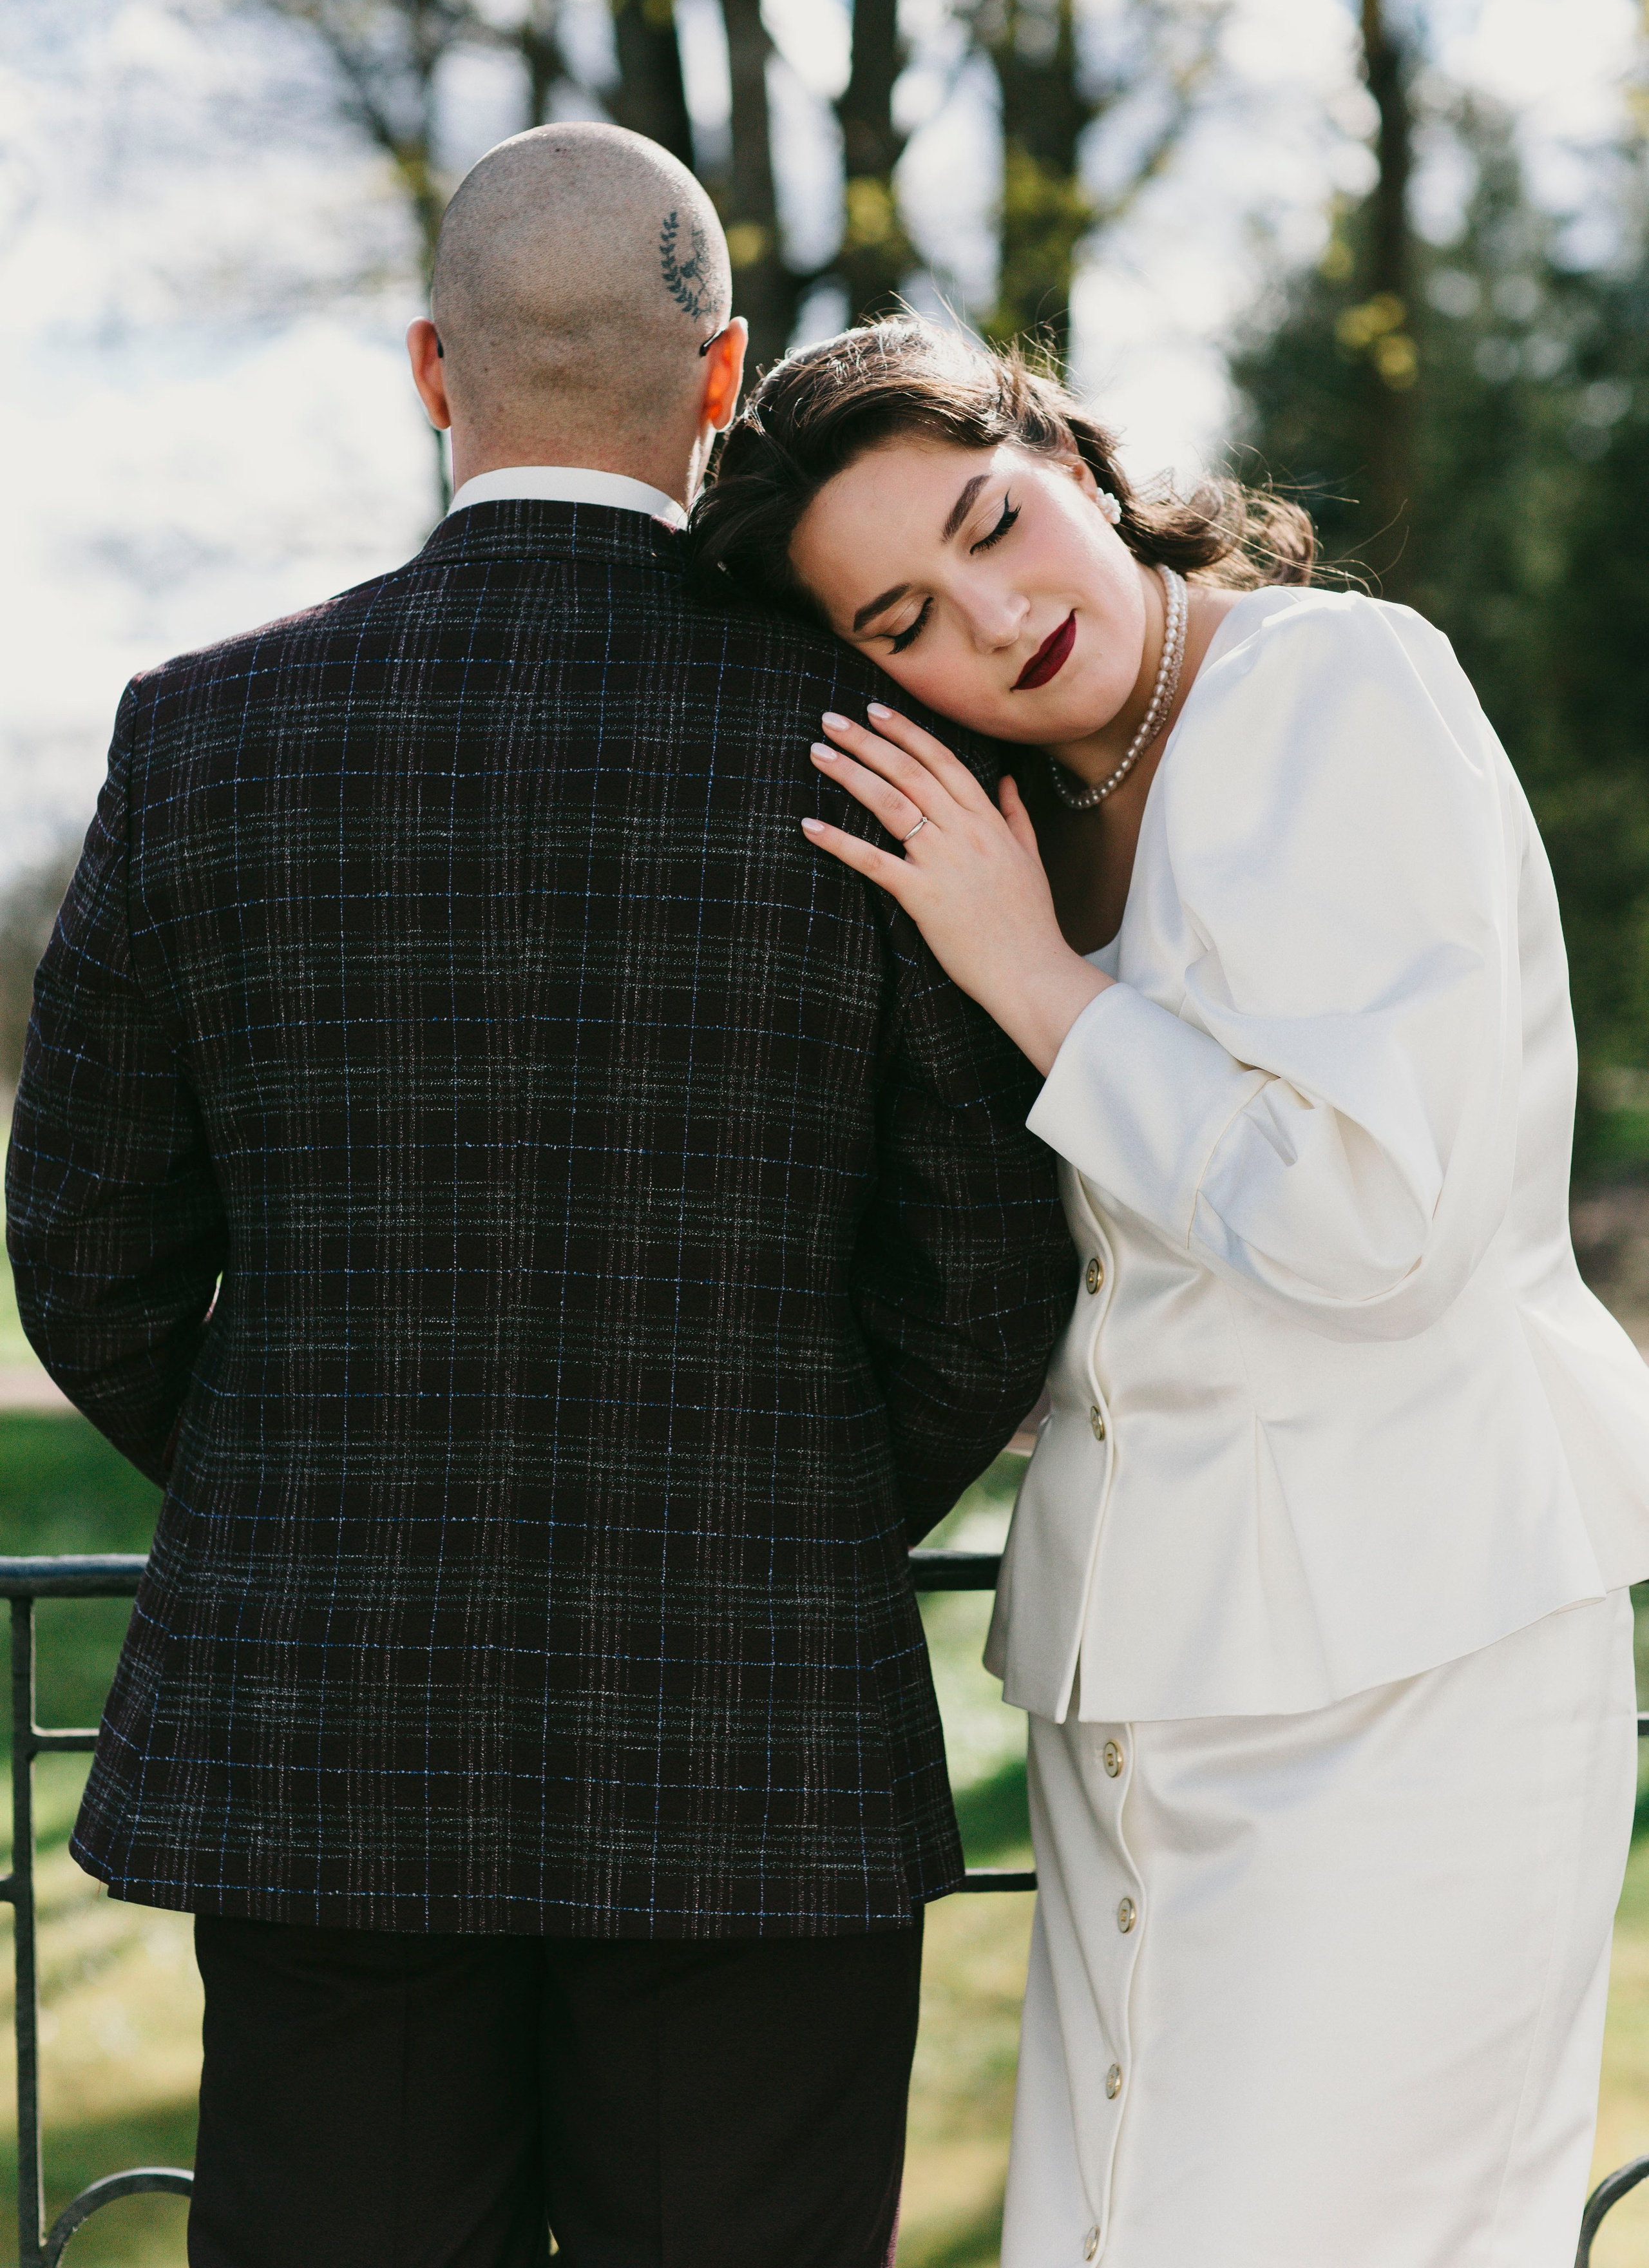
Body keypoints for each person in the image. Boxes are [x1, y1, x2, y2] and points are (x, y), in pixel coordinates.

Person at [4, 147, 1073, 2268]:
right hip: (758, 1757)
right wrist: (780, 1510)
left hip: (329, 1754)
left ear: (432, 367)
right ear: (722, 377)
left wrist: (309, 1486)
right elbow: (985, 1275)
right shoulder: (878, 743)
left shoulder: (206, 734)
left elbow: (90, 1259)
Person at [688, 312, 1649, 2268]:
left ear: (1063, 444)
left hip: (1413, 1655)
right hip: (1143, 1680)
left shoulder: (1334, 687)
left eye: (991, 519)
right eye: (902, 623)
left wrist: (1033, 981)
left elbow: (1378, 1220)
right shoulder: (1019, 817)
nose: (993, 613)